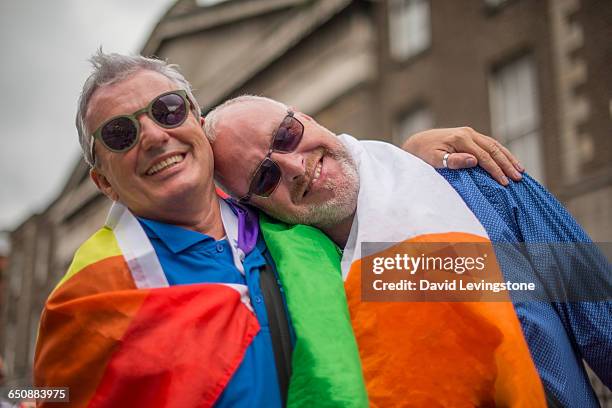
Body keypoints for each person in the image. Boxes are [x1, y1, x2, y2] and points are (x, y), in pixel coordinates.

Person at [33, 51, 520, 407]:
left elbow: (571, 286)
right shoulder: (87, 296)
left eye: (167, 110)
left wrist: (407, 167)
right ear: (103, 182)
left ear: (196, 123)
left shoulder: (291, 222)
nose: (156, 136)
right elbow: (47, 393)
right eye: (122, 134)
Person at [207, 95, 612, 407]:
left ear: (305, 118)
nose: (293, 166)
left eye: (285, 136)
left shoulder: (476, 182)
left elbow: (601, 322)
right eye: (264, 177)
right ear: (253, 206)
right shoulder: (289, 288)